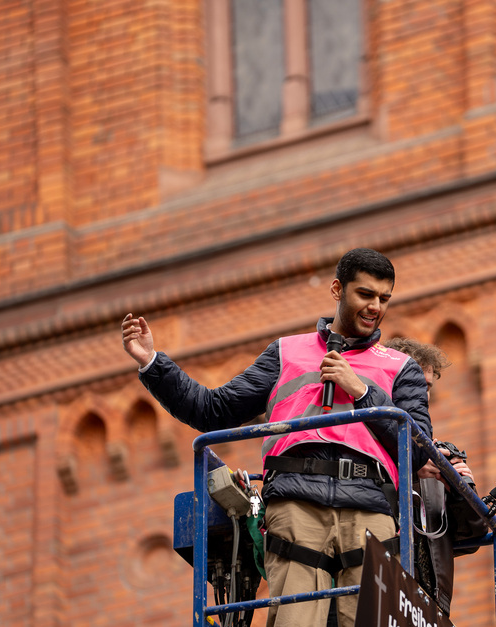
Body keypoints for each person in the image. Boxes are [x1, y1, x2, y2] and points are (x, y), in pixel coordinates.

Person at [121, 248, 431, 627]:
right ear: (338, 290)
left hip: (369, 506)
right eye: (365, 295)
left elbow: (417, 449)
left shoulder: (401, 368)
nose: (375, 307)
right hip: (296, 501)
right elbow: (213, 410)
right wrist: (153, 362)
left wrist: (363, 392)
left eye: (384, 299)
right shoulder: (287, 352)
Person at [383, 337, 489, 618]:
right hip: (376, 590)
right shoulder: (359, 445)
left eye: (427, 386)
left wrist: (460, 490)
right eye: (416, 382)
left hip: (427, 604)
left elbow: (473, 534)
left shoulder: (437, 452)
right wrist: (407, 467)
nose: (423, 394)